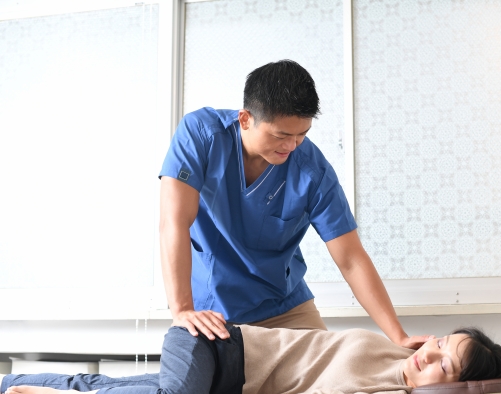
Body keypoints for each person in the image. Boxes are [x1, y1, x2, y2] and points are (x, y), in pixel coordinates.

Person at [159, 59, 426, 349]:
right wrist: (182, 310)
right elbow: (174, 221)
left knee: (335, 370)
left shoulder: (312, 171)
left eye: (302, 134)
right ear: (245, 119)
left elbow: (351, 259)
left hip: (284, 306)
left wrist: (399, 337)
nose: (292, 146)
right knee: (196, 377)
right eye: (281, 135)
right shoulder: (201, 135)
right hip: (210, 310)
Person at [0, 325, 501, 394]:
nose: (429, 355)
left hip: (221, 382)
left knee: (119, 391)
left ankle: (16, 385)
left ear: (453, 390)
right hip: (212, 342)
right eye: (439, 343)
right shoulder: (394, 349)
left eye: (444, 364)